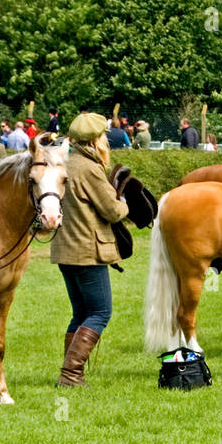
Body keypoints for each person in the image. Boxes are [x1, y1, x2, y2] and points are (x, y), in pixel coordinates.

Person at [51, 112, 129, 387]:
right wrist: (124, 202)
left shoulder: (64, 164)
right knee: (100, 312)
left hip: (65, 250)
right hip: (88, 251)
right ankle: (71, 374)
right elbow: (112, 211)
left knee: (80, 313)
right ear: (96, 139)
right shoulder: (90, 168)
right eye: (103, 136)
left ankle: (69, 373)